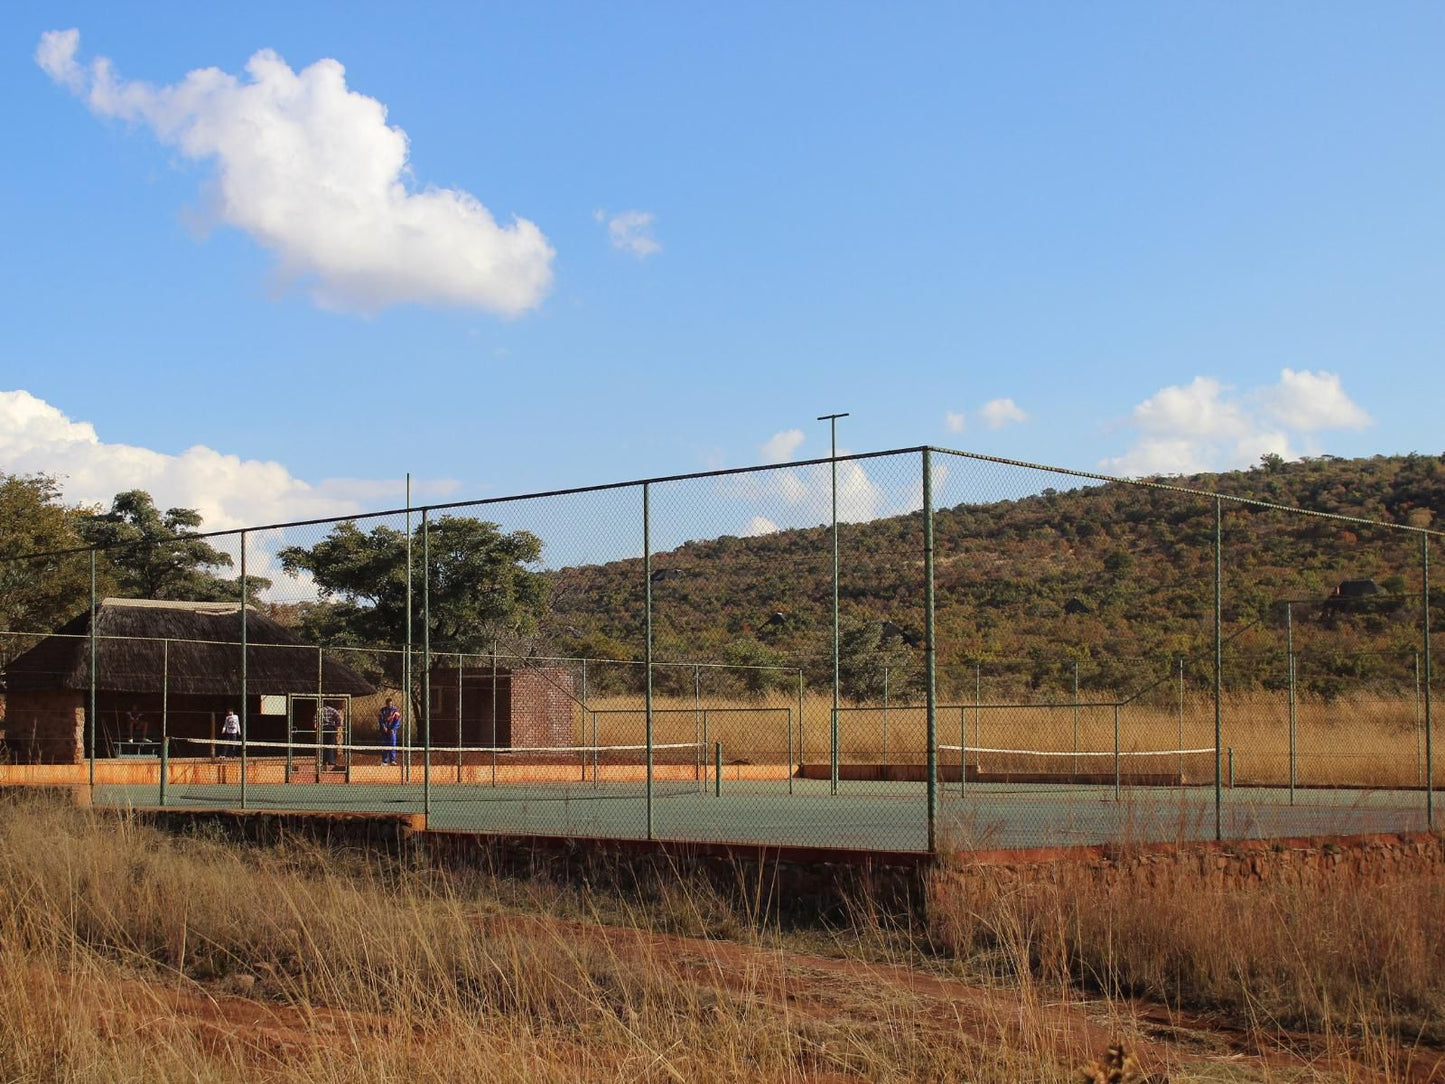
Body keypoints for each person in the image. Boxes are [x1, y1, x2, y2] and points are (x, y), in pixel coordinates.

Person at [377, 697, 401, 766]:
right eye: (388, 704)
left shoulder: (395, 711)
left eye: (390, 704)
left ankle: (392, 760)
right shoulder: (382, 710)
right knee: (384, 744)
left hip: (392, 730)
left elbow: (397, 721)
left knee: (392, 744)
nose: (389, 705)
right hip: (384, 730)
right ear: (386, 704)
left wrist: (393, 729)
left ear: (392, 703)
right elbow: (380, 719)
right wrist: (383, 727)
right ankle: (384, 761)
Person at [321, 703, 343, 770]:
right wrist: (337, 725)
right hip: (331, 728)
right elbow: (339, 718)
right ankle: (331, 761)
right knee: (331, 744)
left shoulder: (320, 710)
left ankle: (324, 761)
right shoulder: (333, 710)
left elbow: (315, 719)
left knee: (323, 745)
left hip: (323, 728)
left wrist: (317, 727)